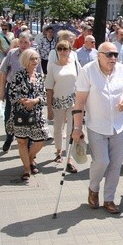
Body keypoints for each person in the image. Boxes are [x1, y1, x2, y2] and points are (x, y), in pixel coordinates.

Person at [71, 42, 123, 214]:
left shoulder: (122, 70)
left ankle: (109, 199)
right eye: (109, 54)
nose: (113, 58)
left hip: (119, 125)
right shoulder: (87, 71)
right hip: (96, 125)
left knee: (115, 164)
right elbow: (80, 101)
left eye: (115, 54)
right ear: (98, 55)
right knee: (101, 161)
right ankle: (93, 188)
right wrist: (77, 127)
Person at [7, 48, 49, 182]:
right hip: (21, 113)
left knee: (41, 140)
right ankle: (26, 168)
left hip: (36, 113)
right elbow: (12, 94)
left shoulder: (40, 76)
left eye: (37, 59)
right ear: (25, 60)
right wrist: (24, 101)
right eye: (32, 59)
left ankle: (30, 158)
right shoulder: (18, 76)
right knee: (22, 141)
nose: (35, 61)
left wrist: (35, 101)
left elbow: (43, 95)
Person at [0, 32, 37, 152]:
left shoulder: (34, 55)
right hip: (13, 90)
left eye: (26, 42)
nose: (23, 45)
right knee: (9, 115)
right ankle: (9, 137)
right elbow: (3, 72)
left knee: (29, 117)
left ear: (30, 43)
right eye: (21, 42)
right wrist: (1, 90)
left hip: (29, 90)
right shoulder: (12, 54)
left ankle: (28, 143)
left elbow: (38, 74)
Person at [45, 40, 81, 171]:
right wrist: (48, 108)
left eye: (65, 48)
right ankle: (58, 151)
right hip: (58, 102)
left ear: (70, 50)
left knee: (71, 130)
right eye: (59, 49)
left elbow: (82, 83)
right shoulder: (53, 67)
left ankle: (69, 159)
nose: (62, 51)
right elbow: (49, 89)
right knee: (58, 129)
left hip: (73, 102)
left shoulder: (76, 65)